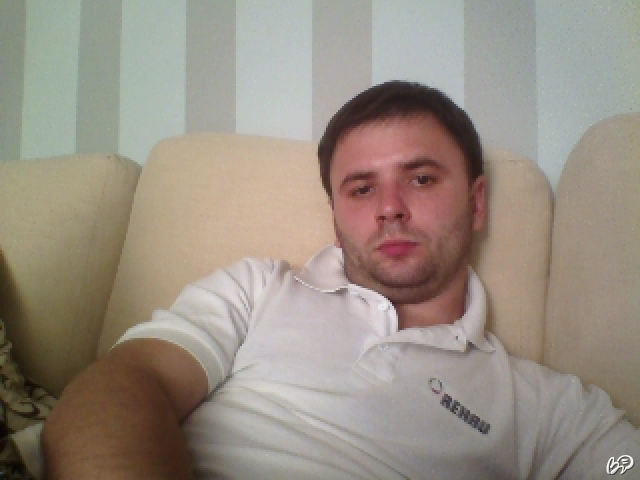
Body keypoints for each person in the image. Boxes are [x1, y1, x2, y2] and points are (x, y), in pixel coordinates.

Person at [42, 81, 639, 479]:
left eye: (422, 179)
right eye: (361, 188)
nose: (390, 208)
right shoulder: (257, 290)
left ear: (477, 203)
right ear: (336, 217)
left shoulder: (546, 409)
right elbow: (122, 387)